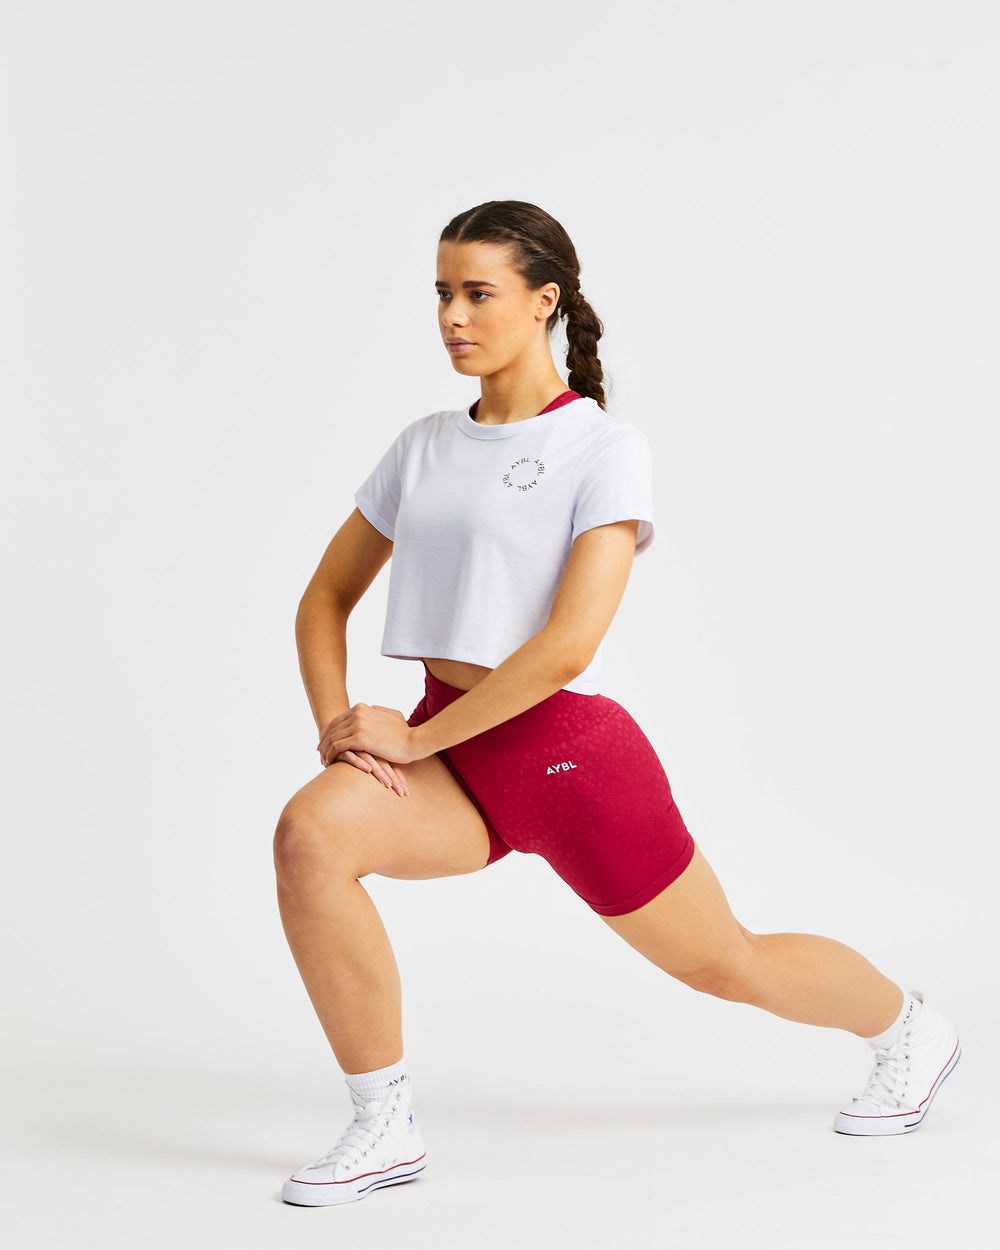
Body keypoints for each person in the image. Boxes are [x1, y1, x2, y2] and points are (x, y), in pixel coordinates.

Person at [274, 200, 961, 1208]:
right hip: (449, 757)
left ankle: (908, 1028)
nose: (453, 316)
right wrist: (343, 733)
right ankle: (384, 1122)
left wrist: (415, 741)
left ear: (543, 301)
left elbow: (566, 647)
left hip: (567, 762)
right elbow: (323, 598)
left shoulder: (601, 448)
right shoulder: (422, 445)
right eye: (442, 293)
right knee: (310, 837)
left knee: (726, 964)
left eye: (479, 293)